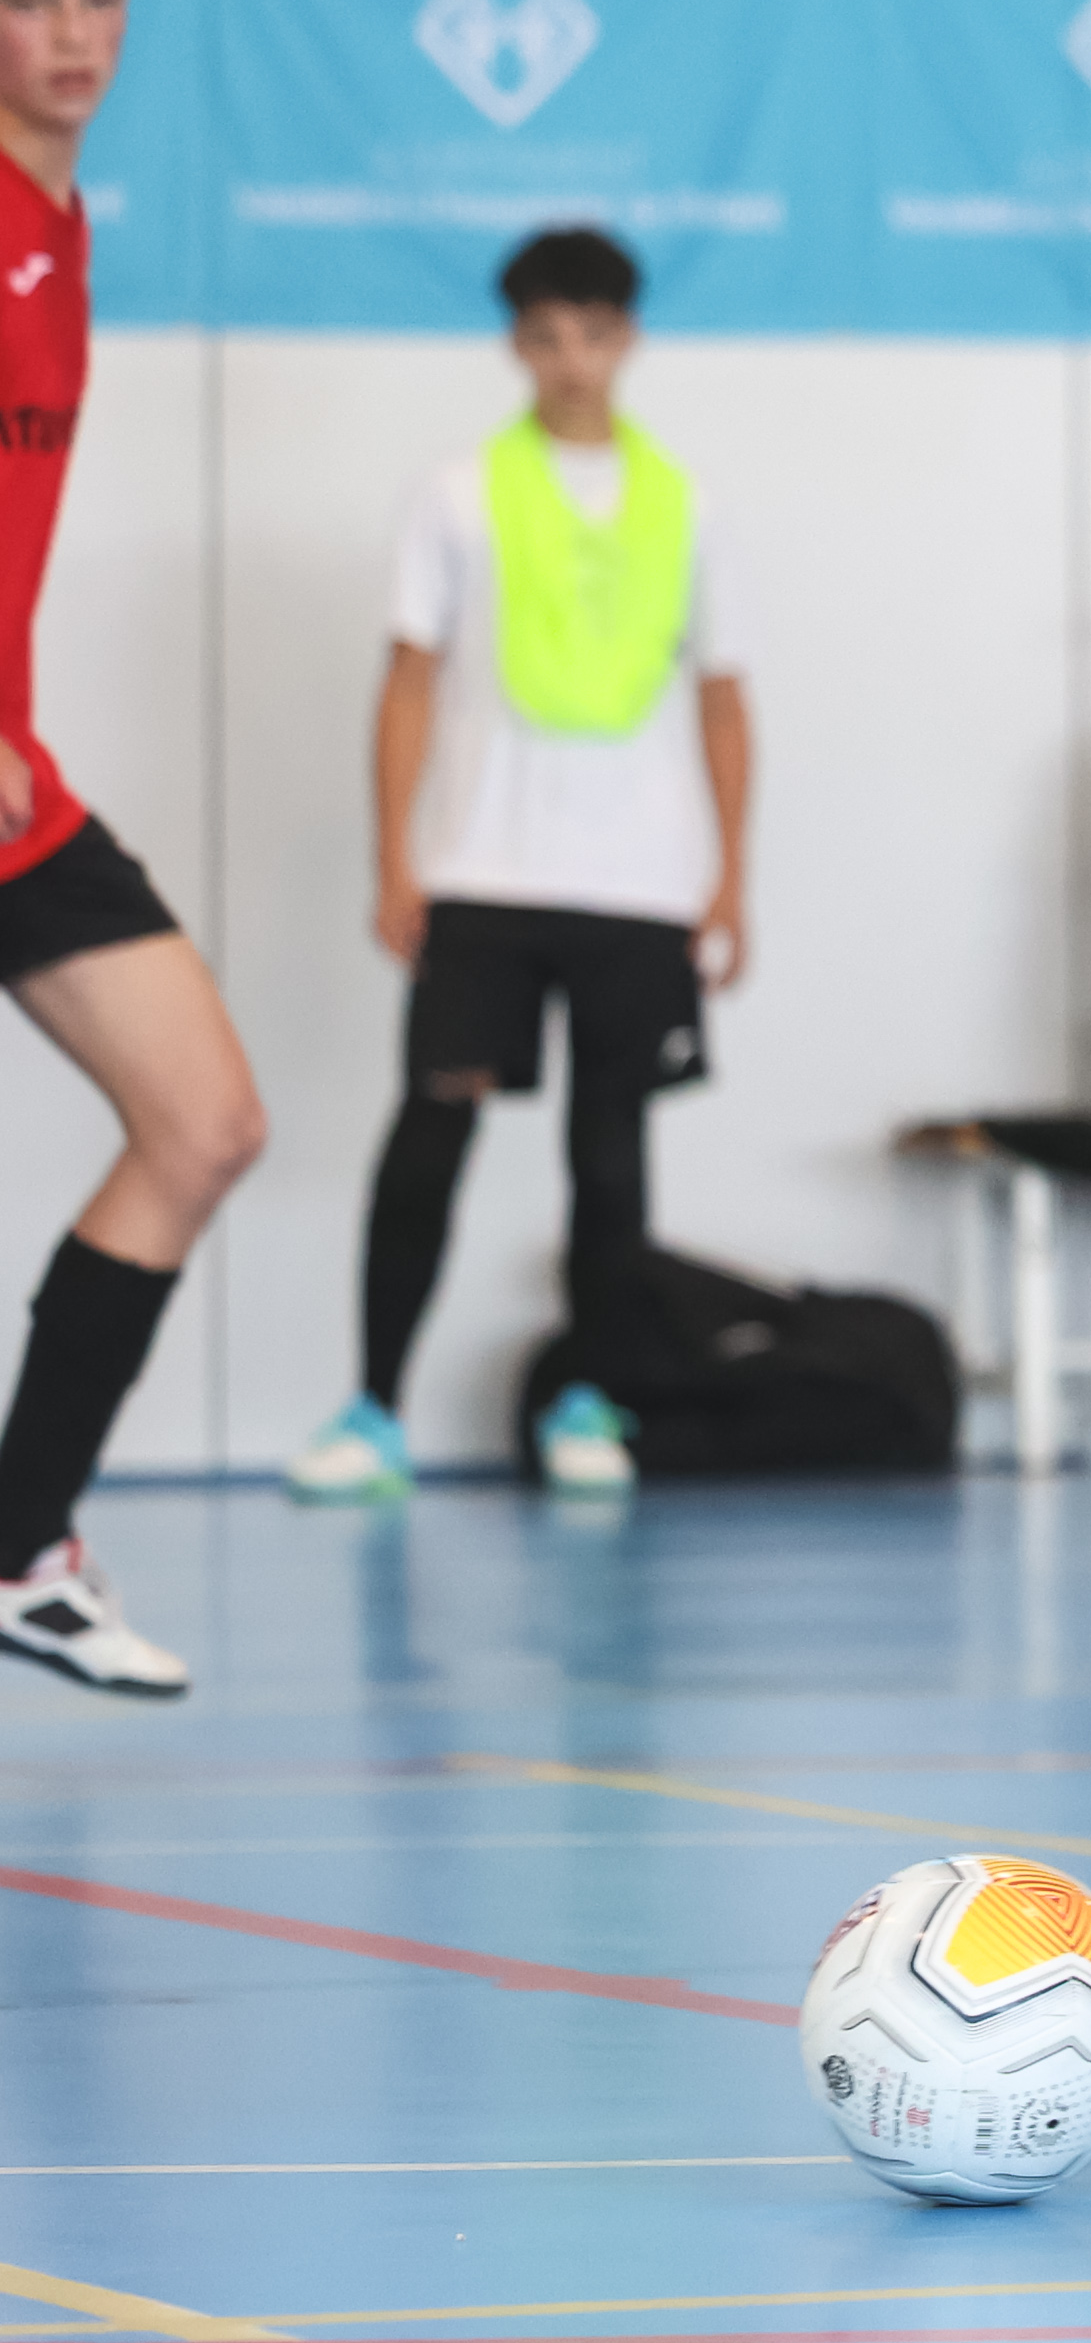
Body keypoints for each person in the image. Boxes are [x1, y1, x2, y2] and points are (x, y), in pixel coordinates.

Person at [285, 228, 750, 1505]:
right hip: (482, 872)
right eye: (546, 336)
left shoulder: (688, 503)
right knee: (431, 1135)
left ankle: (588, 1403)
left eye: (592, 333)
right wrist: (396, 858)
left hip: (640, 884)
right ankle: (374, 1410)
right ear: (516, 345)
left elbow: (722, 695)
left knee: (611, 1156)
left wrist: (731, 876)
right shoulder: (454, 493)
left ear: (627, 339)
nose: (571, 360)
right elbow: (410, 679)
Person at [0, 0, 266, 1695]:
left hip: (19, 790)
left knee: (203, 1121)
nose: (74, 31)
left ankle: (20, 1545)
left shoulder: (61, 227)